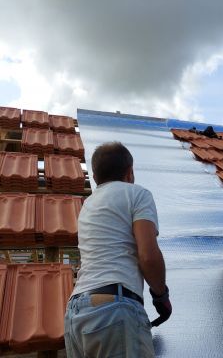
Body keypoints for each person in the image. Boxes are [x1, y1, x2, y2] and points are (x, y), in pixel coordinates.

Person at [64, 142, 172, 358]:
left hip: (76, 312)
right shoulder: (137, 194)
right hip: (114, 309)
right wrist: (161, 296)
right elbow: (148, 256)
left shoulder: (88, 204)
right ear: (130, 173)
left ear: (95, 178)